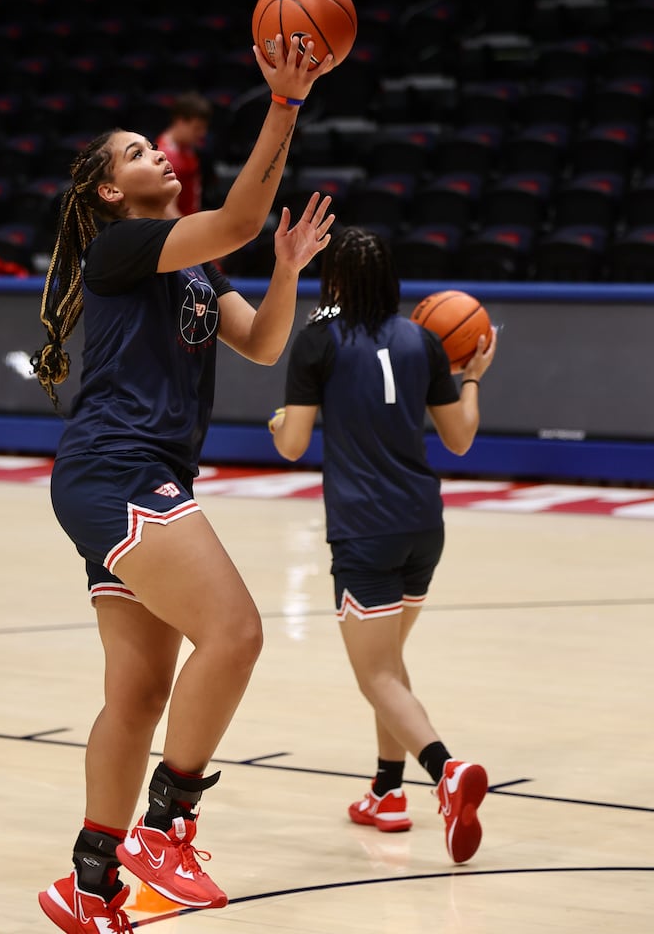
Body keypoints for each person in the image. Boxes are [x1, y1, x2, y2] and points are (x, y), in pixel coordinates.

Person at [33, 34, 335, 934]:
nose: (154, 153)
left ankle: (88, 882)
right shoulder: (123, 249)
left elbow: (264, 344)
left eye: (149, 146)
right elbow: (239, 216)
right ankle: (166, 825)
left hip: (127, 473)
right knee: (237, 633)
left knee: (135, 693)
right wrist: (284, 104)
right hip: (117, 467)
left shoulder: (188, 262)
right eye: (134, 153)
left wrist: (284, 273)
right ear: (108, 193)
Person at [268, 227, 496, 866]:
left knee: (375, 674)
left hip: (364, 529)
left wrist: (282, 420)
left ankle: (445, 772)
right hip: (424, 526)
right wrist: (471, 377)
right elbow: (459, 440)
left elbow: (291, 444)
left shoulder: (319, 337)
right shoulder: (423, 340)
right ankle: (386, 792)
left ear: (333, 281)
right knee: (389, 666)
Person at [155, 91, 212, 219]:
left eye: (203, 128)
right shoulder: (166, 157)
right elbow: (168, 209)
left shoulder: (187, 147)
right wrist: (189, 234)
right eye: (197, 128)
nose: (202, 133)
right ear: (180, 121)